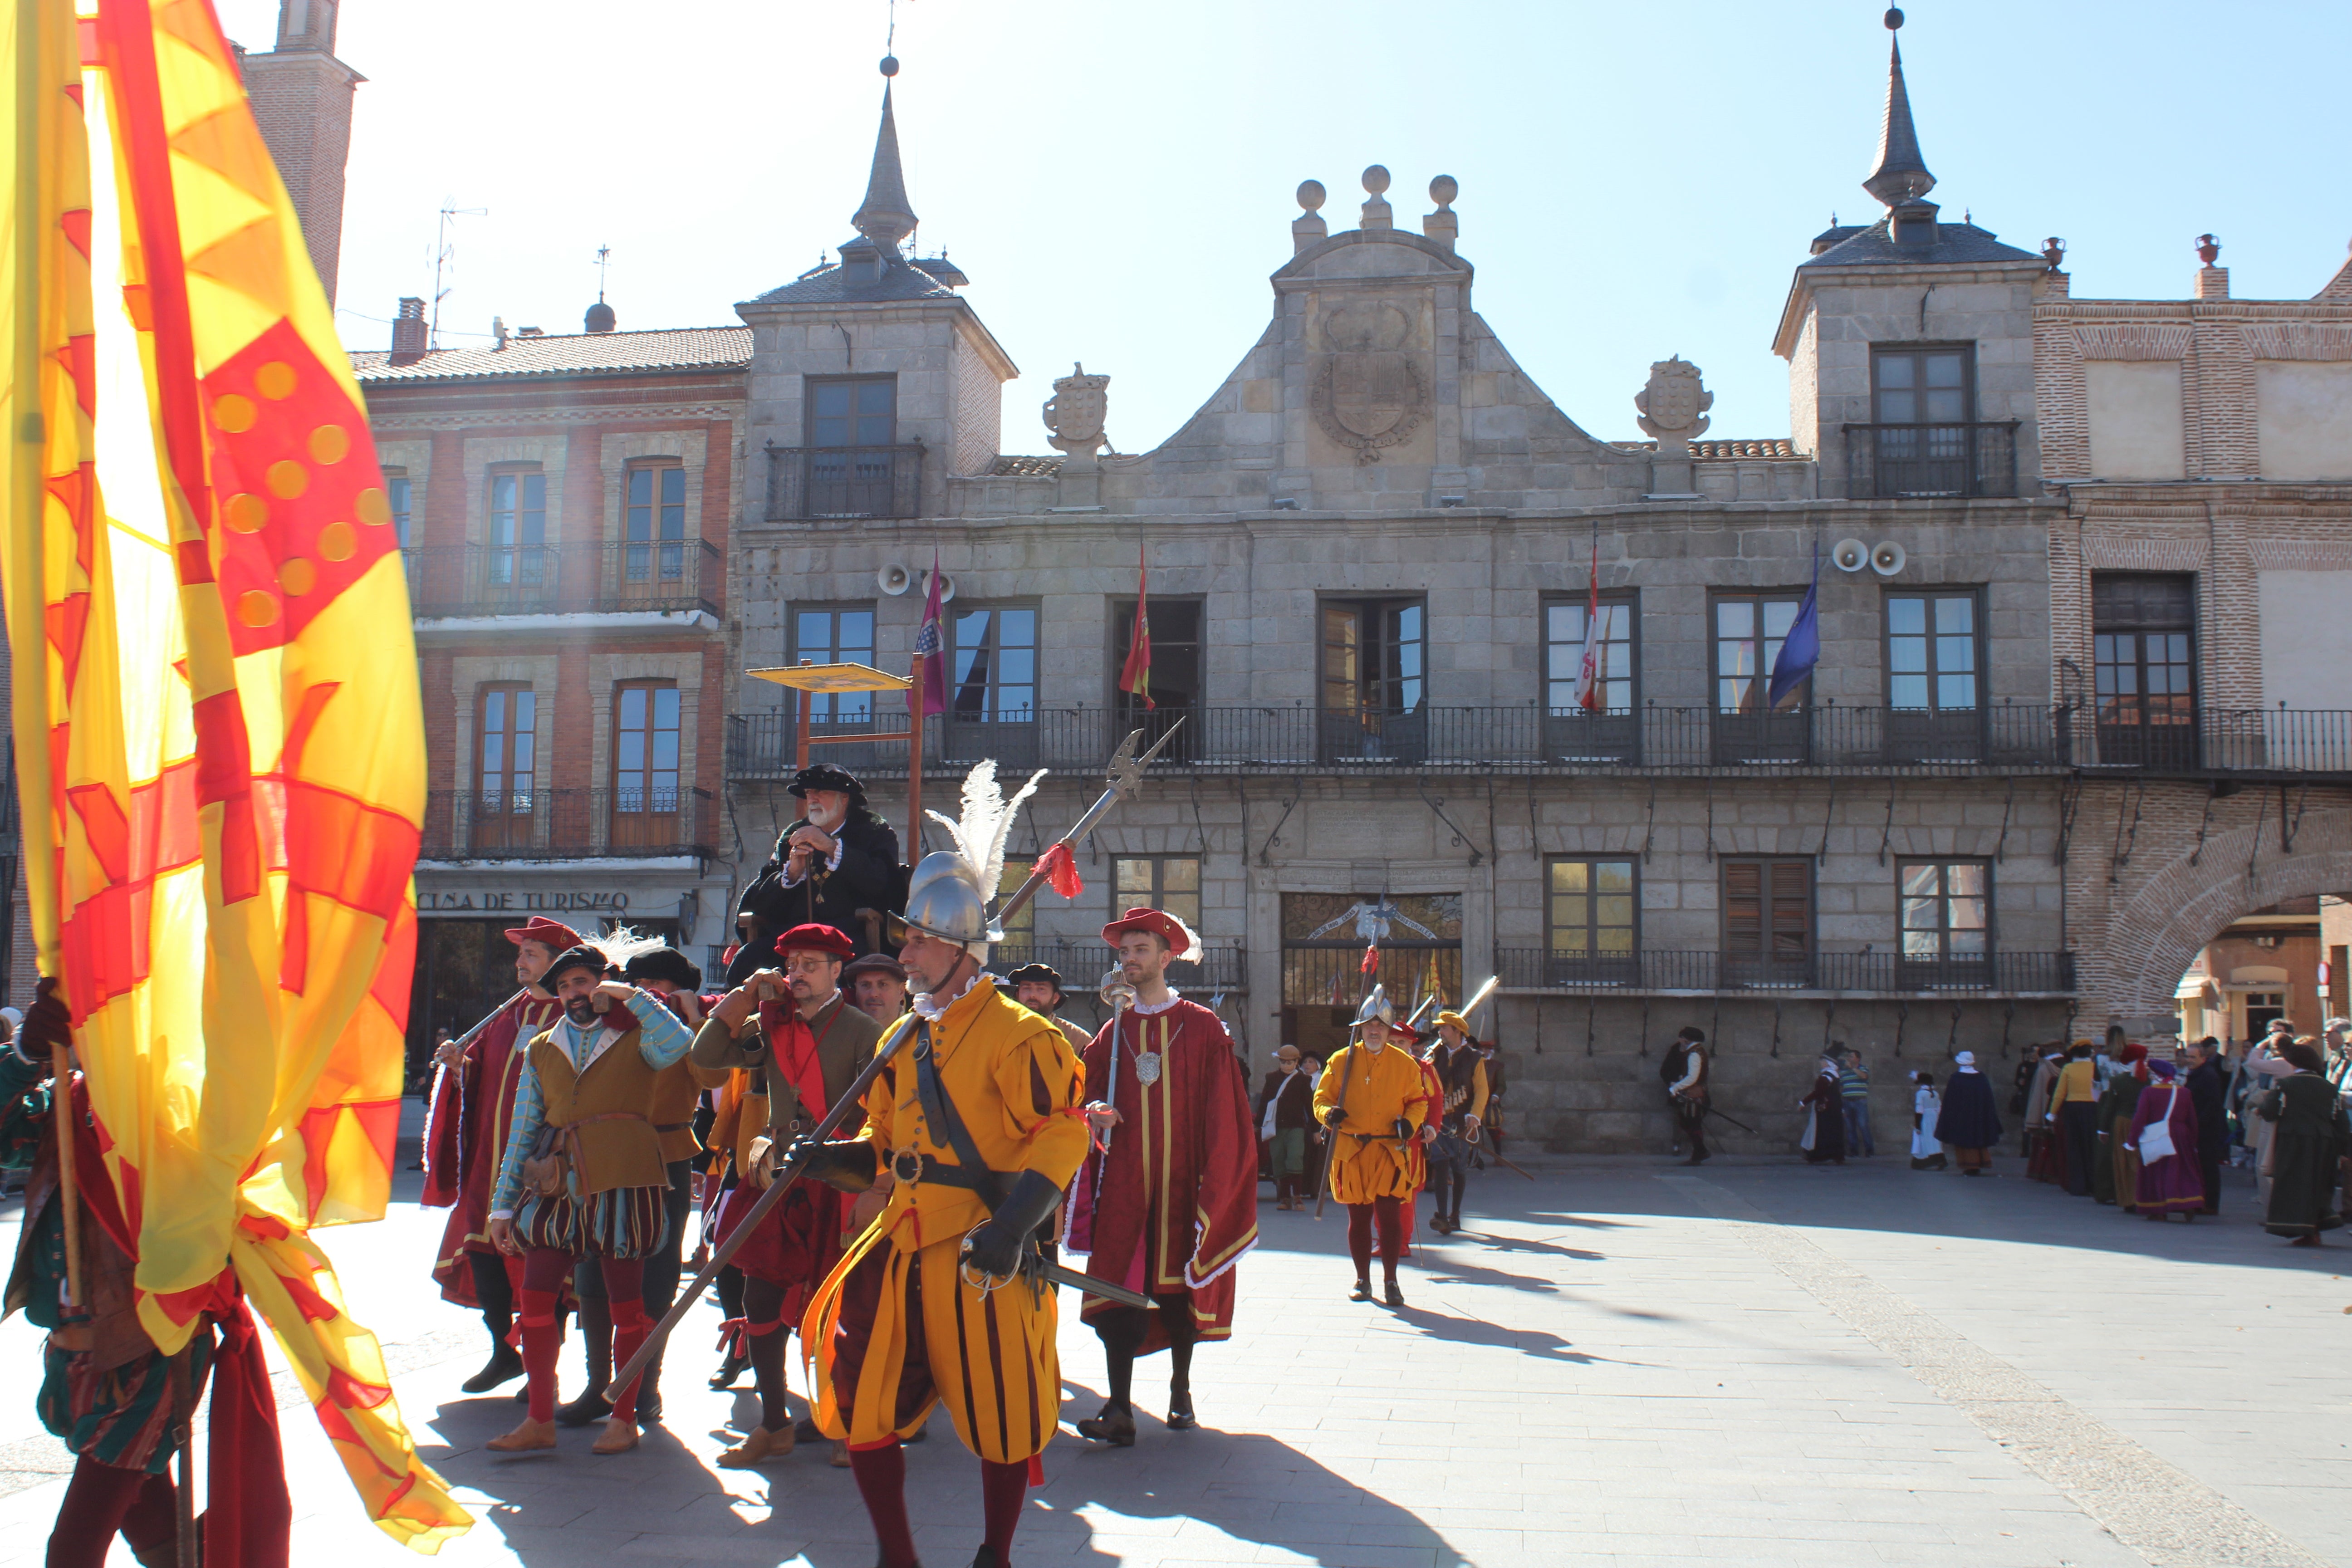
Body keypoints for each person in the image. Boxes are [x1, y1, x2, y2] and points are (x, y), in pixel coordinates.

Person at [793, 770, 1091, 1568]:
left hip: (980, 1254)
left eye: (917, 941)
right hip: (900, 1246)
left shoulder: (1021, 1034)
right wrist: (821, 1160)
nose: (903, 952)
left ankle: (994, 1551)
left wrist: (1010, 1228)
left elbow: (1061, 1137)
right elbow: (885, 1153)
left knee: (1000, 1417)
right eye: (905, 939)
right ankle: (898, 1554)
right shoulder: (902, 1039)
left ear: (959, 949)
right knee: (862, 1408)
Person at [482, 939, 695, 1456]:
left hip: (626, 1176)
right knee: (535, 1298)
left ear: (604, 982)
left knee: (628, 1304)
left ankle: (623, 1419)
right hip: (557, 1180)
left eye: (584, 981)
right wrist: (503, 1205)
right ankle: (539, 1418)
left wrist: (629, 994)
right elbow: (524, 1128)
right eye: (565, 986)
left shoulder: (640, 1032)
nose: (575, 993)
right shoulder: (541, 1047)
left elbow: (682, 1043)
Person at [1062, 907, 1257, 1447]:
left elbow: (1224, 1110)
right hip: (1125, 1183)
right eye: (1123, 952)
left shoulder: (1201, 1027)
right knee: (1118, 1290)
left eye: (1140, 951)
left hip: (1181, 1181)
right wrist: (1096, 1108)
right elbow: (1089, 1092)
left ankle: (1180, 1391)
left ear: (1167, 958)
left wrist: (1215, 1180)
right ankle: (1119, 1407)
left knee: (1177, 1292)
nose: (1129, 961)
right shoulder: (1112, 1029)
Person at [691, 922, 884, 1469]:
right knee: (758, 1301)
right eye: (792, 965)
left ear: (835, 972)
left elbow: (883, 1112)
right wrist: (741, 997)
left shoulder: (863, 1030)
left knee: (838, 1306)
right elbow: (706, 1059)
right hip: (777, 1177)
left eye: (810, 965)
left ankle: (846, 1422)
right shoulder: (770, 1022)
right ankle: (774, 1424)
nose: (798, 975)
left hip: (838, 1179)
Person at [420, 915, 576, 1395]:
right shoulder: (507, 1016)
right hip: (490, 1165)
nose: (519, 963)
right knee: (481, 1255)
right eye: (521, 954)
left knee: (545, 1270)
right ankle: (503, 1354)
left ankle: (540, 1367)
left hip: (542, 1168)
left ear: (556, 965)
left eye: (531, 955)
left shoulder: (575, 1019)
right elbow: (479, 1075)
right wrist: (458, 1066)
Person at [558, 939, 708, 1430]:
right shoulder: (607, 1026)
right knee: (594, 1270)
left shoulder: (683, 1030)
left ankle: (644, 1384)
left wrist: (698, 1022)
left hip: (664, 1156)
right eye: (637, 985)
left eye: (656, 987)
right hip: (602, 1155)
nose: (644, 994)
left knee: (657, 1276)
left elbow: (712, 1077)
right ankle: (598, 1383)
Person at [1312, 986, 1431, 1305]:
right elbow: (1321, 1099)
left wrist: (1410, 1123)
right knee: (1359, 1218)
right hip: (1351, 1151)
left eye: (1380, 1026)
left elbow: (1418, 1101)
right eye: (1369, 1026)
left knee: (1390, 1218)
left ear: (1389, 1030)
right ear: (1361, 1029)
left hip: (1389, 1151)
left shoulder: (1406, 1065)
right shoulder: (1341, 1060)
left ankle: (1391, 1280)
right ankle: (1362, 1279)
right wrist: (1328, 1114)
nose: (1375, 1030)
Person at [732, 764, 902, 980]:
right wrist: (791, 874)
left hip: (849, 934)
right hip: (791, 936)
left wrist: (832, 848)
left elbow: (884, 886)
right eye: (809, 793)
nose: (813, 799)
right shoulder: (790, 839)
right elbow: (760, 903)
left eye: (822, 793)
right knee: (749, 960)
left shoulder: (875, 833)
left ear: (844, 798)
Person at [2260, 1041, 2349, 1245]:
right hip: (2326, 1142)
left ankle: (2302, 1229)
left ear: (2293, 1063)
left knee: (2295, 1185)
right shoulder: (2329, 1088)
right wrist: (2343, 1150)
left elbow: (2270, 1111)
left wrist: (2261, 1108)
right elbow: (2341, 1121)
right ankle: (2315, 1229)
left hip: (2294, 1141)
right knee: (2318, 1184)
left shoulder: (2286, 1085)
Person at [1421, 1011, 1490, 1232]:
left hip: (1462, 1120)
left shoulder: (1474, 1058)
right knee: (1439, 1165)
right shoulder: (1435, 1054)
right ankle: (1441, 1215)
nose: (1440, 1032)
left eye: (1444, 1028)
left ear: (1457, 1031)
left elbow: (1481, 1090)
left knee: (1459, 1169)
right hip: (1439, 1120)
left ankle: (1456, 1214)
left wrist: (1475, 1115)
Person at [2127, 1060, 2206, 1220]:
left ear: (2156, 1075)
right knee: (2183, 1172)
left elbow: (2140, 1118)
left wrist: (2132, 1141)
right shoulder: (2184, 1092)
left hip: (2157, 1135)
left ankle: (2159, 1209)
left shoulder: (2149, 1092)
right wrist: (2193, 1140)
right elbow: (2192, 1119)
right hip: (2181, 1136)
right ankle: (2188, 1204)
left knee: (2157, 1172)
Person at [1258, 1046, 1318, 1209]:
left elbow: (1309, 1106)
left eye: (1289, 1062)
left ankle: (1297, 1197)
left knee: (1295, 1157)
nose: (1286, 1065)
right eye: (1283, 1062)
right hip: (1276, 1126)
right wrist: (1258, 1125)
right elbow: (1264, 1102)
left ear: (1296, 1062)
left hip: (1297, 1126)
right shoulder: (1271, 1078)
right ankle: (1285, 1198)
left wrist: (1316, 1130)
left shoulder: (1303, 1080)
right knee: (1278, 1160)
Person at [2092, 1042, 2148, 1209]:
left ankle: (2127, 1199)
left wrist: (2103, 1129)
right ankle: (2143, 1196)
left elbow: (2109, 1107)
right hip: (2143, 1124)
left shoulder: (2117, 1081)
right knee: (2140, 1161)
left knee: (2123, 1162)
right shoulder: (2149, 1080)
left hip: (2122, 1123)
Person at [1934, 1051, 2002, 1174]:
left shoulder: (1956, 1079)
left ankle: (1970, 1166)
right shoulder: (1981, 1078)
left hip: (1962, 1117)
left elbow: (1950, 1100)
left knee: (1964, 1141)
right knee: (1978, 1138)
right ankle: (1979, 1164)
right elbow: (1988, 1099)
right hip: (1979, 1115)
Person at [1005, 961, 1095, 1052]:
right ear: (1017, 995)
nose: (1032, 995)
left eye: (1041, 989)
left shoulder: (1078, 1039)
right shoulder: (1003, 1033)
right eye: (1026, 988)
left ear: (1055, 998)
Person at [2185, 1036, 2229, 1216]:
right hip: (2198, 1126)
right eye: (2187, 1057)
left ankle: (2210, 1204)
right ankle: (2200, 1200)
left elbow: (2212, 1105)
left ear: (2203, 1058)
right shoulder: (2196, 1074)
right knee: (2200, 1166)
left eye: (2193, 1058)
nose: (2189, 1061)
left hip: (2206, 1129)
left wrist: (2199, 1125)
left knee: (2208, 1166)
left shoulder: (2208, 1076)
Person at [2050, 1043, 2099, 1197]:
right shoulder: (2095, 1068)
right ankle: (2094, 1184)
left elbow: (2060, 1093)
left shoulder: (2069, 1069)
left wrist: (2052, 1113)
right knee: (2091, 1146)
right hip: (2093, 1108)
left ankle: (2078, 1186)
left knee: (2075, 1146)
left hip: (2073, 1108)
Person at [1662, 1026, 1710, 1166]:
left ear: (1687, 1039)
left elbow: (1692, 1078)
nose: (1680, 1040)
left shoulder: (1695, 1054)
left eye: (1682, 1037)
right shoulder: (1694, 1051)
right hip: (1693, 1093)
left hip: (1693, 1094)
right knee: (1688, 1122)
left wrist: (1676, 1087)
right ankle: (1700, 1152)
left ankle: (1700, 1152)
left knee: (1691, 1123)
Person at [1799, 1046, 1847, 1165]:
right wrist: (1841, 1108)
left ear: (1827, 1063)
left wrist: (1804, 1102)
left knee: (1823, 1132)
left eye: (1822, 1062)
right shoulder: (1836, 1076)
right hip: (1835, 1108)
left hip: (1825, 1109)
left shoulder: (1826, 1076)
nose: (1821, 1064)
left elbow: (1818, 1093)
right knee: (1834, 1132)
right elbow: (1837, 1094)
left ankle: (1817, 1156)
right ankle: (1837, 1155)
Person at [843, 951, 912, 1029]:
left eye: (883, 985)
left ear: (901, 991)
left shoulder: (918, 1032)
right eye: (865, 985)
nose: (874, 994)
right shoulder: (843, 1033)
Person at [1840, 1049, 1876, 1156]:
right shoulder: (1843, 1072)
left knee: (1863, 1125)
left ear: (1858, 1059)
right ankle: (1853, 1151)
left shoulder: (1864, 1069)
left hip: (1860, 1101)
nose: (1849, 1058)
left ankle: (1869, 1150)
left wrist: (1853, 1068)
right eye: (1848, 1056)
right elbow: (1841, 1088)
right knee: (1850, 1127)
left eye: (1851, 1056)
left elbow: (1864, 1077)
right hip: (1847, 1101)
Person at [1909, 1073, 1945, 1170]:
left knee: (1925, 1139)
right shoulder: (1936, 1094)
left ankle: (1926, 1161)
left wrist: (1918, 1126)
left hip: (1925, 1118)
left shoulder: (1921, 1094)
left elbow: (1919, 1111)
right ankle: (1940, 1159)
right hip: (1934, 1118)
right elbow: (1939, 1109)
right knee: (1935, 1140)